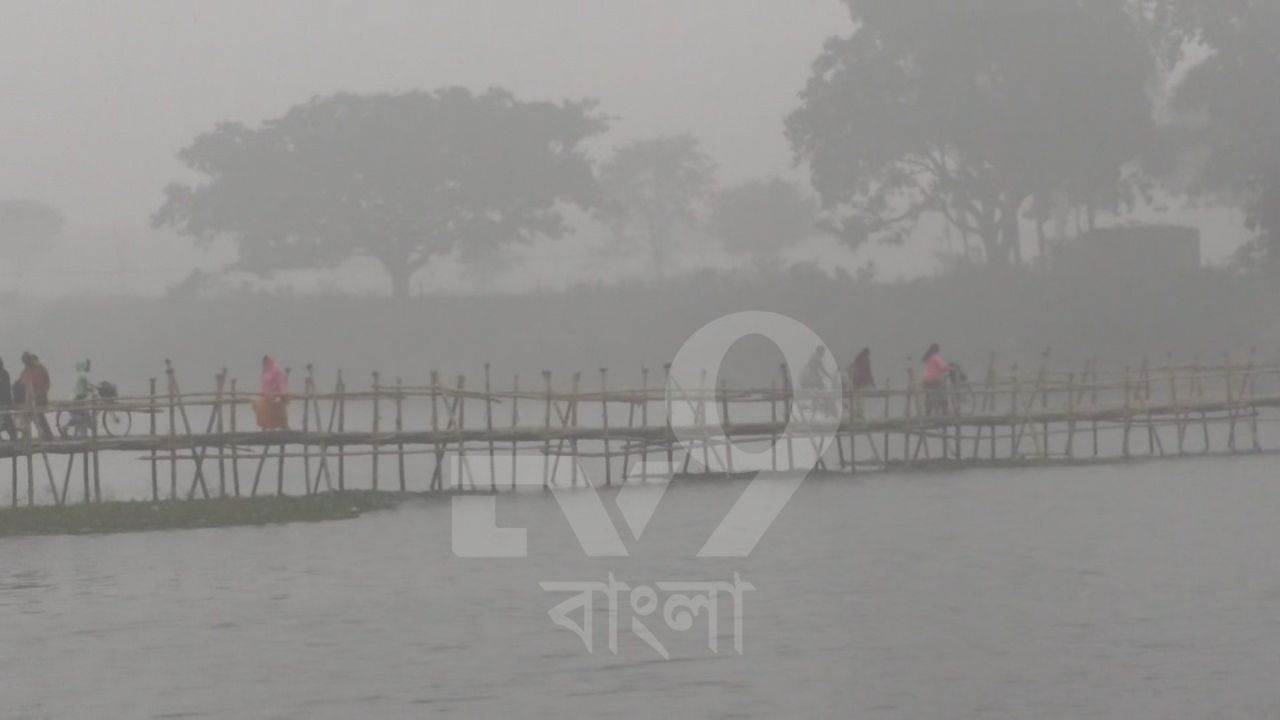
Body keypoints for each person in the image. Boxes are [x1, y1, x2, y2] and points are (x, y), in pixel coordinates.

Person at [18, 352, 53, 439]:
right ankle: (27, 436)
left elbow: (44, 383)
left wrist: (39, 390)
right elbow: (22, 382)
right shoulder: (27, 370)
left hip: (39, 397)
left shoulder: (39, 368)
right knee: (31, 417)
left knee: (39, 416)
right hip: (30, 398)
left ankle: (46, 435)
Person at [800, 346, 836, 417]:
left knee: (821, 392)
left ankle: (817, 403)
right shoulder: (816, 359)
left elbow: (819, 370)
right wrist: (830, 377)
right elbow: (822, 370)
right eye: (823, 353)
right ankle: (822, 407)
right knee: (825, 391)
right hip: (812, 381)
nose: (823, 355)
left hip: (809, 381)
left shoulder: (813, 358)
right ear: (819, 352)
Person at [255, 355, 289, 430]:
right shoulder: (265, 371)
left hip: (275, 395)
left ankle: (276, 427)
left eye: (266, 362)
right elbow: (264, 385)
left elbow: (280, 383)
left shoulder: (276, 371)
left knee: (275, 409)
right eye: (263, 362)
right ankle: (266, 427)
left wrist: (279, 393)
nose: (264, 364)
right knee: (261, 408)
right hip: (266, 396)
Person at [921, 342, 952, 416]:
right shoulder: (936, 356)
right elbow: (942, 367)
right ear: (937, 349)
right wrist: (951, 368)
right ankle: (945, 410)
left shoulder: (928, 357)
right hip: (933, 379)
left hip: (925, 380)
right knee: (942, 392)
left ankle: (928, 411)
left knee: (928, 394)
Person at [0, 358, 14, 441]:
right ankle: (13, 435)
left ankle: (13, 435)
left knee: (6, 419)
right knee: (6, 419)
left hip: (4, 401)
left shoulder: (4, 374)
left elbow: (5, 389)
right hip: (3, 401)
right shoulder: (4, 373)